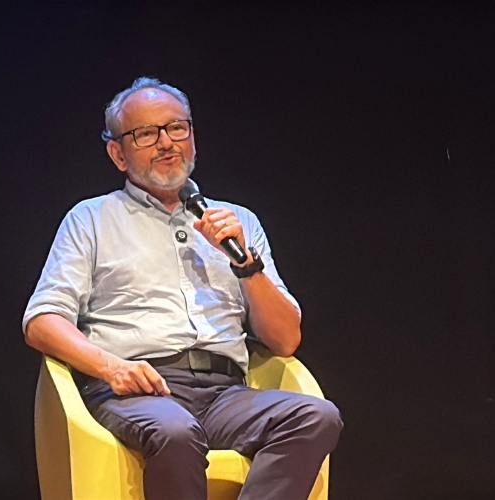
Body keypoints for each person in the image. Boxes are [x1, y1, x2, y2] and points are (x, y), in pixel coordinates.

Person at [23, 76, 343, 499]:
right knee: (175, 431)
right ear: (118, 154)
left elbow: (285, 340)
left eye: (177, 128)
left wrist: (246, 264)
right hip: (139, 389)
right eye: (146, 134)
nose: (166, 142)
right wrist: (112, 368)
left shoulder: (238, 222)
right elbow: (42, 321)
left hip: (225, 394)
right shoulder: (91, 220)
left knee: (316, 416)